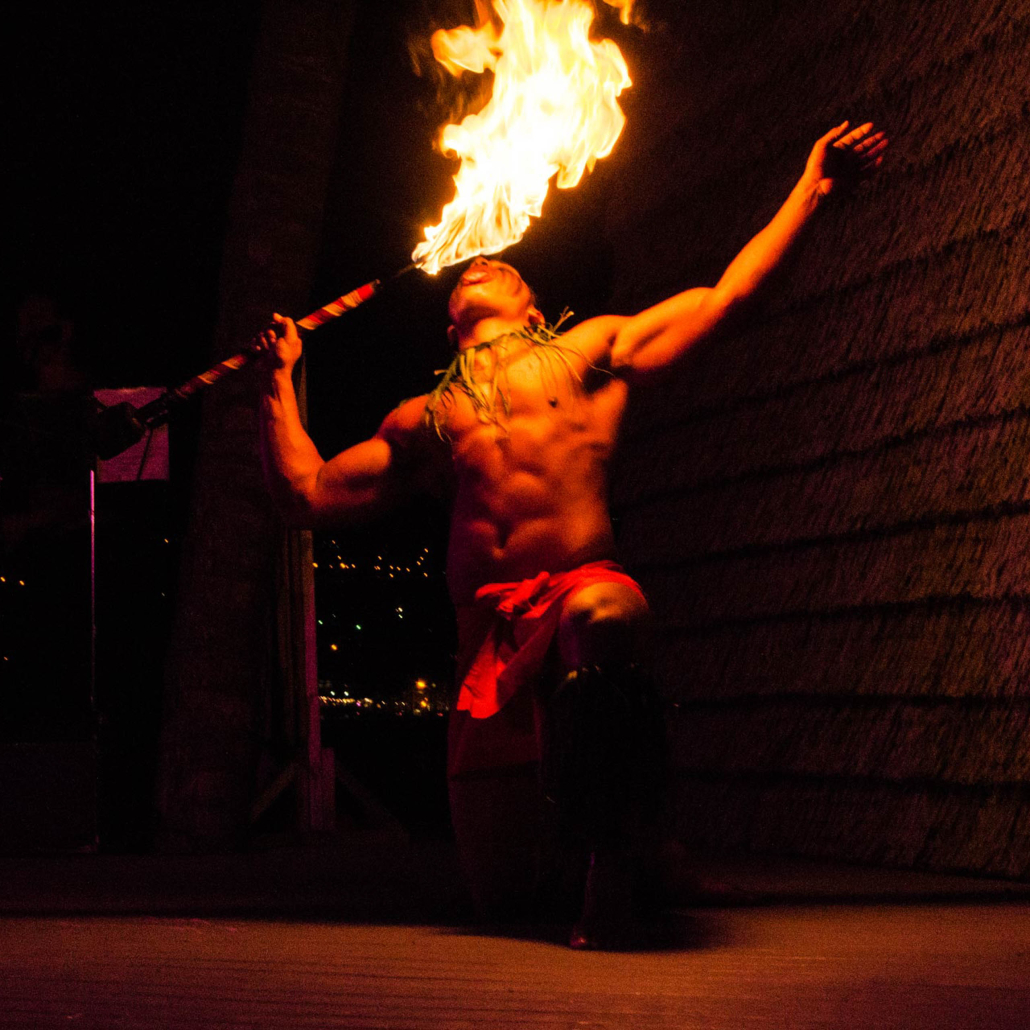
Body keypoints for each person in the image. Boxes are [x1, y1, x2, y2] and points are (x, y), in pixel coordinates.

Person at [258, 121, 887, 946]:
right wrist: (276, 381)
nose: (487, 260)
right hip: (489, 630)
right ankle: (642, 841)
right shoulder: (426, 418)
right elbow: (305, 492)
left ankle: (616, 873)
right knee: (501, 899)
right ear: (451, 323)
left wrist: (814, 189)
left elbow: (726, 299)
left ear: (533, 307)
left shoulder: (588, 351)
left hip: (581, 592)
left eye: (508, 264)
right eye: (475, 265)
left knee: (605, 619)